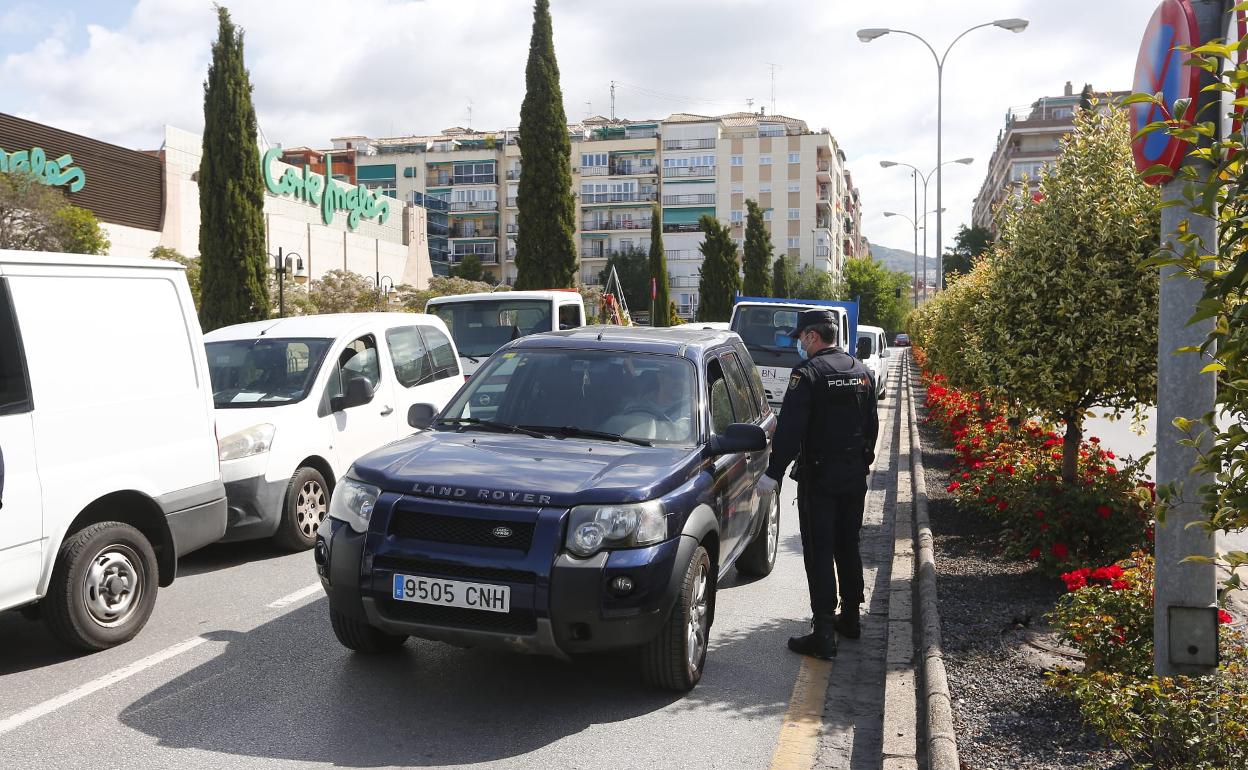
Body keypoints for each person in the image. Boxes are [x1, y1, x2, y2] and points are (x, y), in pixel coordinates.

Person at [756, 309, 878, 659]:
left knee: (820, 549)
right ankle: (851, 617)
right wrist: (861, 463)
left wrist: (773, 473)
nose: (800, 344)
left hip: (821, 480)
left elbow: (790, 430)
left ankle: (823, 631)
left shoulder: (807, 374)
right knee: (847, 544)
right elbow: (871, 426)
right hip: (854, 477)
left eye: (801, 338)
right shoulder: (860, 371)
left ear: (811, 336)